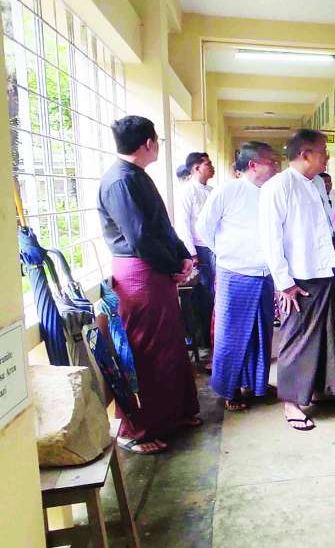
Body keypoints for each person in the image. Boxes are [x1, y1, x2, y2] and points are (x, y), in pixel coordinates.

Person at [97, 115, 200, 455]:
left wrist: (183, 257)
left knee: (169, 344)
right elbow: (139, 237)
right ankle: (135, 430)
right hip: (139, 274)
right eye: (157, 140)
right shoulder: (119, 181)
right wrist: (173, 267)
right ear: (149, 143)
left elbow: (163, 227)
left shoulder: (137, 175)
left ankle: (172, 414)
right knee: (143, 349)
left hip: (156, 269)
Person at [260, 129, 335, 432]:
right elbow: (271, 239)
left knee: (324, 335)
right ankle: (291, 401)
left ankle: (323, 390)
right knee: (297, 338)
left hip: (323, 271)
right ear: (305, 154)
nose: (328, 157)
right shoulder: (278, 187)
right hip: (298, 278)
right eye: (323, 151)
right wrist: (284, 282)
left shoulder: (316, 185)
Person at [196, 142, 279, 412]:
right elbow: (203, 228)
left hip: (265, 273)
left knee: (261, 333)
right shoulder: (228, 191)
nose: (275, 165)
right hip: (235, 273)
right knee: (232, 335)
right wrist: (226, 253)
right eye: (270, 161)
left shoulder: (272, 191)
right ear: (253, 165)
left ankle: (256, 384)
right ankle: (229, 389)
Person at [174, 152, 216, 350]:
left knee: (212, 294)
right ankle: (202, 340)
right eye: (208, 164)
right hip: (198, 250)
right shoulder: (187, 191)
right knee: (203, 295)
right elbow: (183, 225)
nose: (212, 167)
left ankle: (211, 337)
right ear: (196, 168)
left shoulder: (211, 191)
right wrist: (191, 253)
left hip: (213, 248)